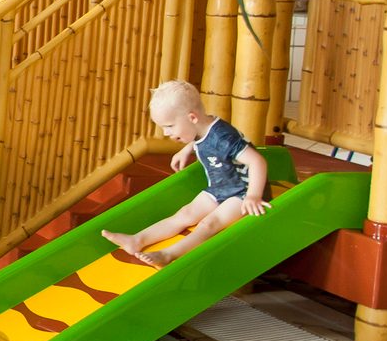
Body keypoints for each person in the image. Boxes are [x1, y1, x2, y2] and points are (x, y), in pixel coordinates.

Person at [102, 81, 269, 266]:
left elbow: (257, 161)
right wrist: (186, 150)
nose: (166, 133)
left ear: (192, 117)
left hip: (243, 192)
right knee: (185, 213)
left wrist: (253, 196)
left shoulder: (223, 138)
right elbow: (200, 137)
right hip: (220, 187)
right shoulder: (202, 126)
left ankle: (168, 254)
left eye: (169, 126)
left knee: (208, 223)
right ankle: (137, 240)